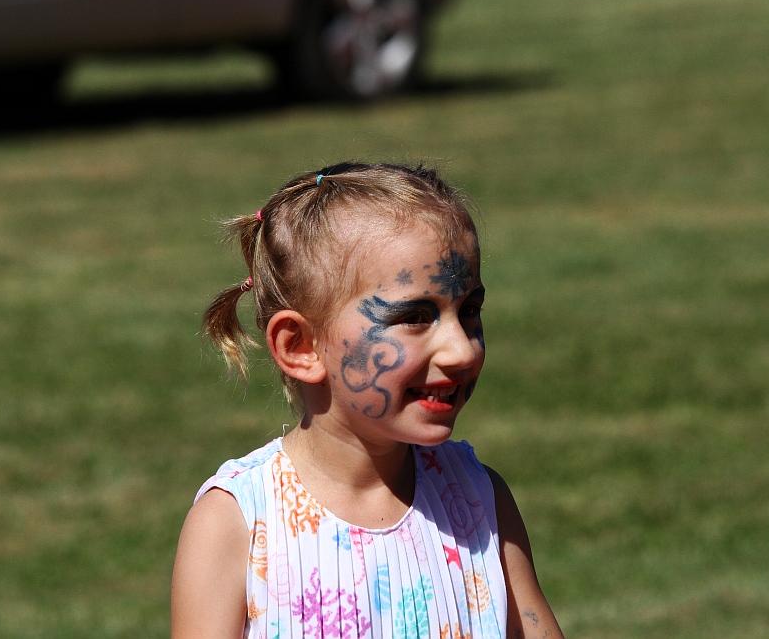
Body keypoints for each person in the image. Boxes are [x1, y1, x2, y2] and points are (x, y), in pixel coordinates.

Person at [171, 163, 565, 639]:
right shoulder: (239, 524)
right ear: (301, 347)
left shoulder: (477, 502)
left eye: (469, 310)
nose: (462, 351)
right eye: (415, 317)